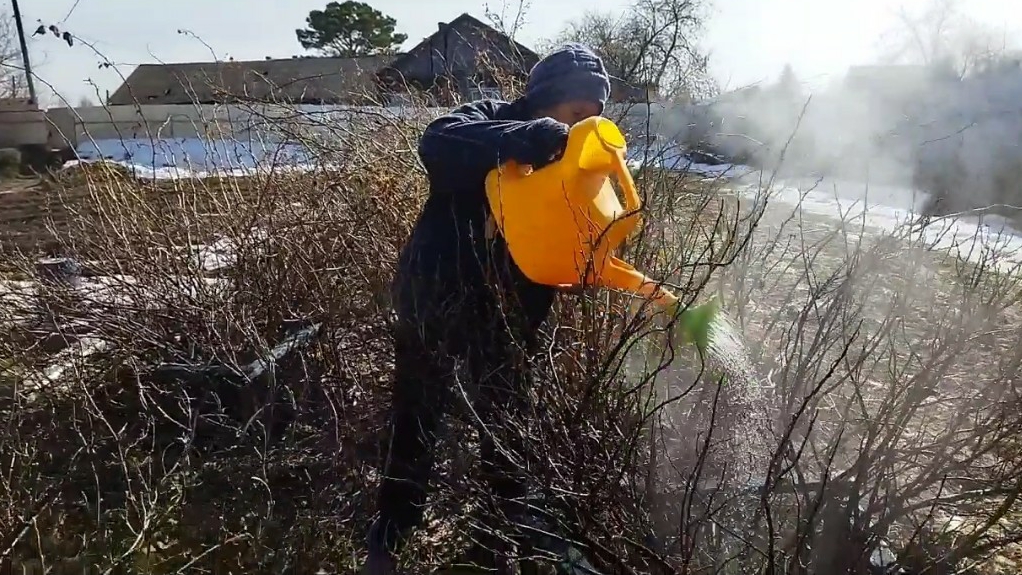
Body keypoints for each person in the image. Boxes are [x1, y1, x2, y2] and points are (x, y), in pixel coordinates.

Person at [364, 43, 612, 575]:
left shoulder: (580, 164)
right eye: (575, 115)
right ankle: (391, 535)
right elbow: (436, 142)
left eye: (595, 116)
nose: (583, 128)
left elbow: (579, 235)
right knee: (417, 416)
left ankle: (503, 535)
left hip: (511, 311)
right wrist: (530, 140)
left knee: (506, 422)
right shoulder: (491, 120)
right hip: (434, 294)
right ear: (545, 101)